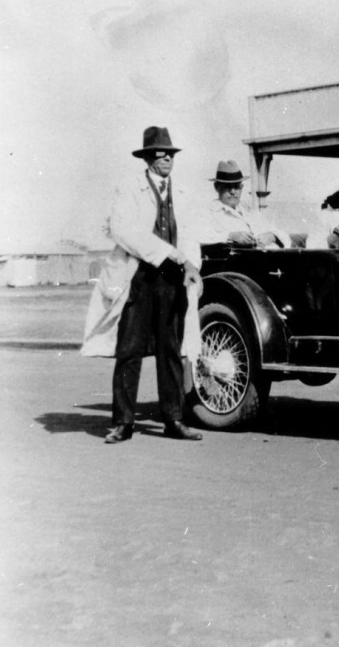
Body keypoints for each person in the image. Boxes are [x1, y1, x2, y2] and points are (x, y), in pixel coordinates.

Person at [80, 126, 204, 443]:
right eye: (159, 153)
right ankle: (123, 422)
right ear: (147, 158)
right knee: (130, 349)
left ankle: (173, 420)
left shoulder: (183, 193)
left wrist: (191, 264)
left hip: (173, 279)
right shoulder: (130, 188)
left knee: (171, 350)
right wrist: (173, 254)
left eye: (170, 153)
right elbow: (124, 230)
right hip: (138, 277)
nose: (166, 158)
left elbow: (190, 235)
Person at [204, 160, 290, 249]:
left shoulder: (249, 211)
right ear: (216, 187)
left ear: (242, 187)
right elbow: (198, 237)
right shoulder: (210, 213)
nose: (233, 192)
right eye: (227, 186)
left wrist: (272, 236)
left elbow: (284, 236)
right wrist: (230, 236)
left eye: (236, 186)